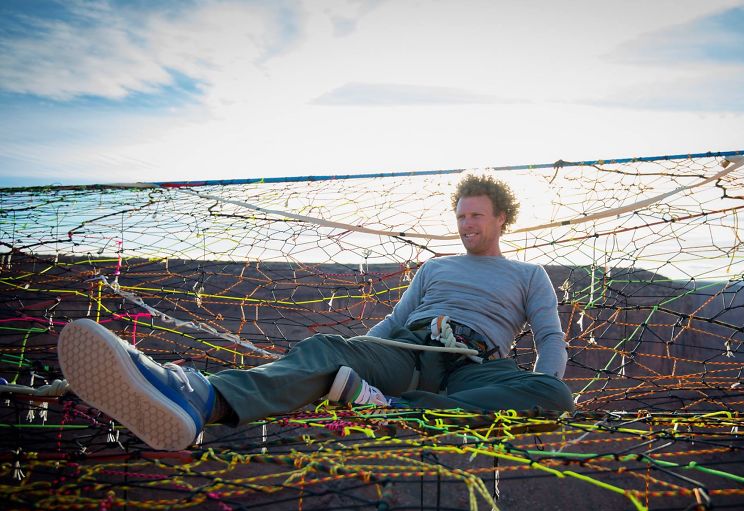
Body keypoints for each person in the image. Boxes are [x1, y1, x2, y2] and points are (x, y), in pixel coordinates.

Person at [58, 174, 573, 450]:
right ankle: (198, 397)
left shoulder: (528, 276)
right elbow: (394, 324)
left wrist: (540, 377)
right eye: (460, 216)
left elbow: (550, 339)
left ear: (502, 217)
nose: (465, 225)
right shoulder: (435, 268)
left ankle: (397, 411)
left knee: (551, 393)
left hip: (477, 368)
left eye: (476, 216)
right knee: (328, 352)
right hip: (413, 351)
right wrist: (360, 355)